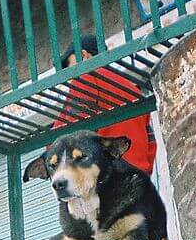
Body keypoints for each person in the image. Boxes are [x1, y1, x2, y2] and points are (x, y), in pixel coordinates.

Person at [53, 36, 157, 175]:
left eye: (68, 65)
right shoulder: (134, 90)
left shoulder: (85, 78)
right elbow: (151, 143)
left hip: (107, 176)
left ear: (83, 55)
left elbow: (67, 135)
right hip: (138, 177)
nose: (69, 77)